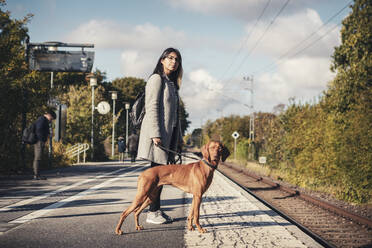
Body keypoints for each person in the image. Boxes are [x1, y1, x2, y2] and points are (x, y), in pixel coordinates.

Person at [137, 47, 184, 224]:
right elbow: (152, 107)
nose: (173, 61)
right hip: (159, 135)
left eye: (176, 59)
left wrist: (178, 139)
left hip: (169, 136)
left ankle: (156, 210)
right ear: (162, 60)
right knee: (156, 177)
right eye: (170, 58)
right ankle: (152, 213)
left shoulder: (172, 84)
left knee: (161, 176)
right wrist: (155, 134)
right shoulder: (156, 79)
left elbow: (175, 116)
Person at [33, 109, 56, 180]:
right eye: (51, 118)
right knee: (38, 157)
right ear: (49, 115)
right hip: (39, 141)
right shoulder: (42, 120)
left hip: (39, 141)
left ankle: (37, 174)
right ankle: (36, 175)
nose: (51, 120)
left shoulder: (43, 120)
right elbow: (39, 130)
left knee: (39, 157)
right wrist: (42, 139)